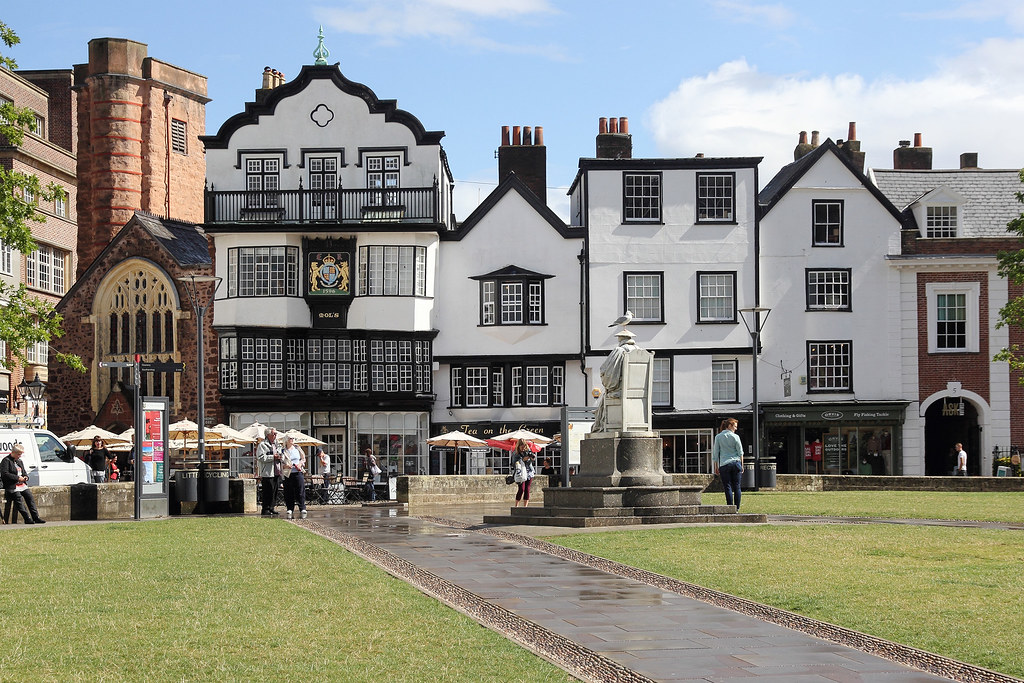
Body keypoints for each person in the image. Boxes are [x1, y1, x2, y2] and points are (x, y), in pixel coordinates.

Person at [1, 444, 45, 524]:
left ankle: (36, 517)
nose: (20, 456)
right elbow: (5, 474)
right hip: (12, 485)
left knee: (30, 498)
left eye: (20, 454)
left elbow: (24, 472)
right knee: (19, 500)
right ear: (13, 452)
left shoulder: (19, 461)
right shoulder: (6, 461)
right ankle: (27, 518)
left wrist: (25, 477)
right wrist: (17, 478)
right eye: (18, 454)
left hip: (22, 485)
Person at [712, 418, 744, 511]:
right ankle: (737, 508)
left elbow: (715, 453)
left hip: (724, 464)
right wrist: (742, 465)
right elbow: (740, 452)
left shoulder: (718, 437)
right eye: (735, 426)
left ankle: (730, 507)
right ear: (729, 426)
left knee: (727, 487)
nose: (736, 429)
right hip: (736, 463)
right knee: (737, 487)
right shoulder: (736, 437)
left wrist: (716, 466)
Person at [255, 428, 282, 516]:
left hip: (277, 471)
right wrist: (273, 457)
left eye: (276, 434)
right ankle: (265, 509)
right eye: (274, 434)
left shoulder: (277, 444)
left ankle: (272, 507)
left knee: (275, 491)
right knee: (268, 491)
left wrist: (280, 456)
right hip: (267, 472)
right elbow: (260, 457)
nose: (275, 435)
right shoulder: (262, 445)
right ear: (268, 435)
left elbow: (281, 453)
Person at [281, 435, 307, 519]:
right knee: (288, 491)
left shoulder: (297, 448)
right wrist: (285, 466)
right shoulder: (283, 450)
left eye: (293, 438)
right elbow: (281, 462)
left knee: (300, 490)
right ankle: (290, 508)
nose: (292, 440)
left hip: (298, 472)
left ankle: (302, 508)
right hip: (288, 473)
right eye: (290, 438)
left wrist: (300, 464)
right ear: (286, 440)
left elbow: (303, 458)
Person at [511, 439, 536, 507]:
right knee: (521, 489)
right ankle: (516, 505)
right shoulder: (515, 453)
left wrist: (532, 458)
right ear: (518, 446)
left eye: (524, 447)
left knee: (527, 489)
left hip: (529, 471)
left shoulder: (528, 451)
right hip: (520, 472)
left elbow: (531, 461)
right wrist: (522, 460)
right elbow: (513, 463)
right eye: (522, 447)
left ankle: (525, 506)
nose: (523, 448)